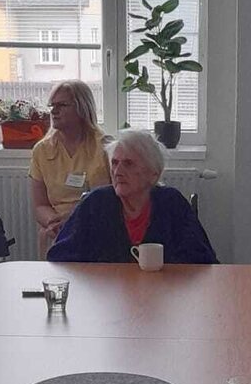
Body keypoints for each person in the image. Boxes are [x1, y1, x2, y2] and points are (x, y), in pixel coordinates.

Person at [47, 130, 217, 265]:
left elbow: (203, 261)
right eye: (115, 163)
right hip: (106, 293)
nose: (118, 171)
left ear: (153, 174)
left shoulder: (172, 204)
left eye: (128, 164)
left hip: (163, 293)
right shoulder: (95, 203)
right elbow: (59, 256)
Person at [28, 80, 111, 252]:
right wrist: (54, 222)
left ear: (82, 108)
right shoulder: (41, 150)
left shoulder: (106, 146)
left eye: (62, 105)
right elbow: (40, 205)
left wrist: (75, 221)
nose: (54, 111)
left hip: (99, 225)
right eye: (52, 106)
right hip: (57, 229)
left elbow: (116, 201)